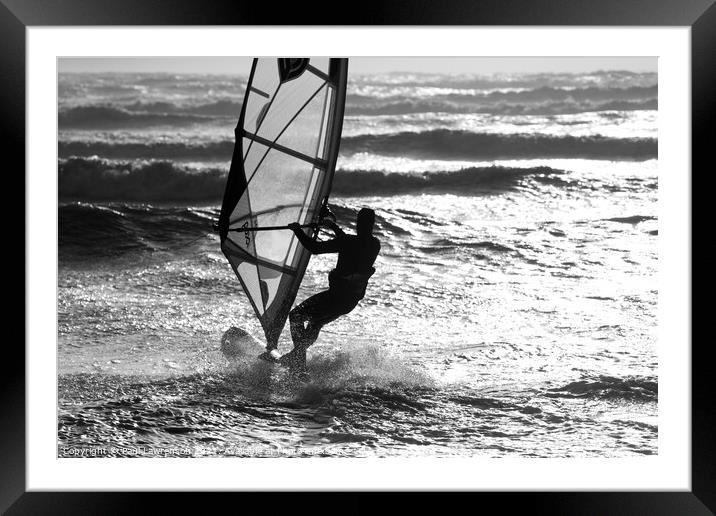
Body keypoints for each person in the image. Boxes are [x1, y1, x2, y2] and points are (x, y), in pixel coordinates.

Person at [276, 207, 381, 370]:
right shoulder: (374, 244)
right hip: (349, 302)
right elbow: (349, 244)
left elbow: (315, 248)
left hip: (336, 297)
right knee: (316, 322)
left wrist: (297, 230)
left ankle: (298, 360)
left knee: (296, 315)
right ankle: (297, 356)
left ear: (358, 223)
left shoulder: (348, 242)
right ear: (372, 224)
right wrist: (333, 227)